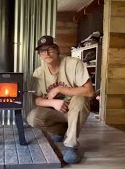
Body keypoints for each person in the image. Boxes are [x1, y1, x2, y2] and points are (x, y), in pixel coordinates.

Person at [27, 35, 95, 164]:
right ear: (39, 55)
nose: (46, 53)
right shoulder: (39, 73)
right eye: (42, 51)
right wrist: (53, 102)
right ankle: (61, 130)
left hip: (74, 108)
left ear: (57, 49)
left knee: (80, 100)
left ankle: (71, 146)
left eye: (50, 49)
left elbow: (90, 92)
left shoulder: (74, 63)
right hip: (57, 111)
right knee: (33, 117)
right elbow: (37, 100)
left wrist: (60, 89)